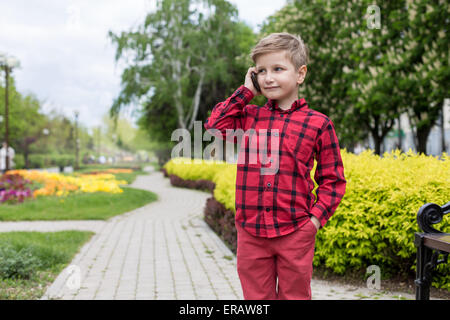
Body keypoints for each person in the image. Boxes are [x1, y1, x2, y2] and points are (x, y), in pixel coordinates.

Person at [204, 33, 346, 300]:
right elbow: (215, 126)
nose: (268, 78)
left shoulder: (319, 124)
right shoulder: (248, 117)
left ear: (300, 73)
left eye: (278, 69)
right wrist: (246, 91)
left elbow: (333, 181)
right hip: (251, 232)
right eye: (261, 71)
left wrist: (313, 222)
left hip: (295, 231)